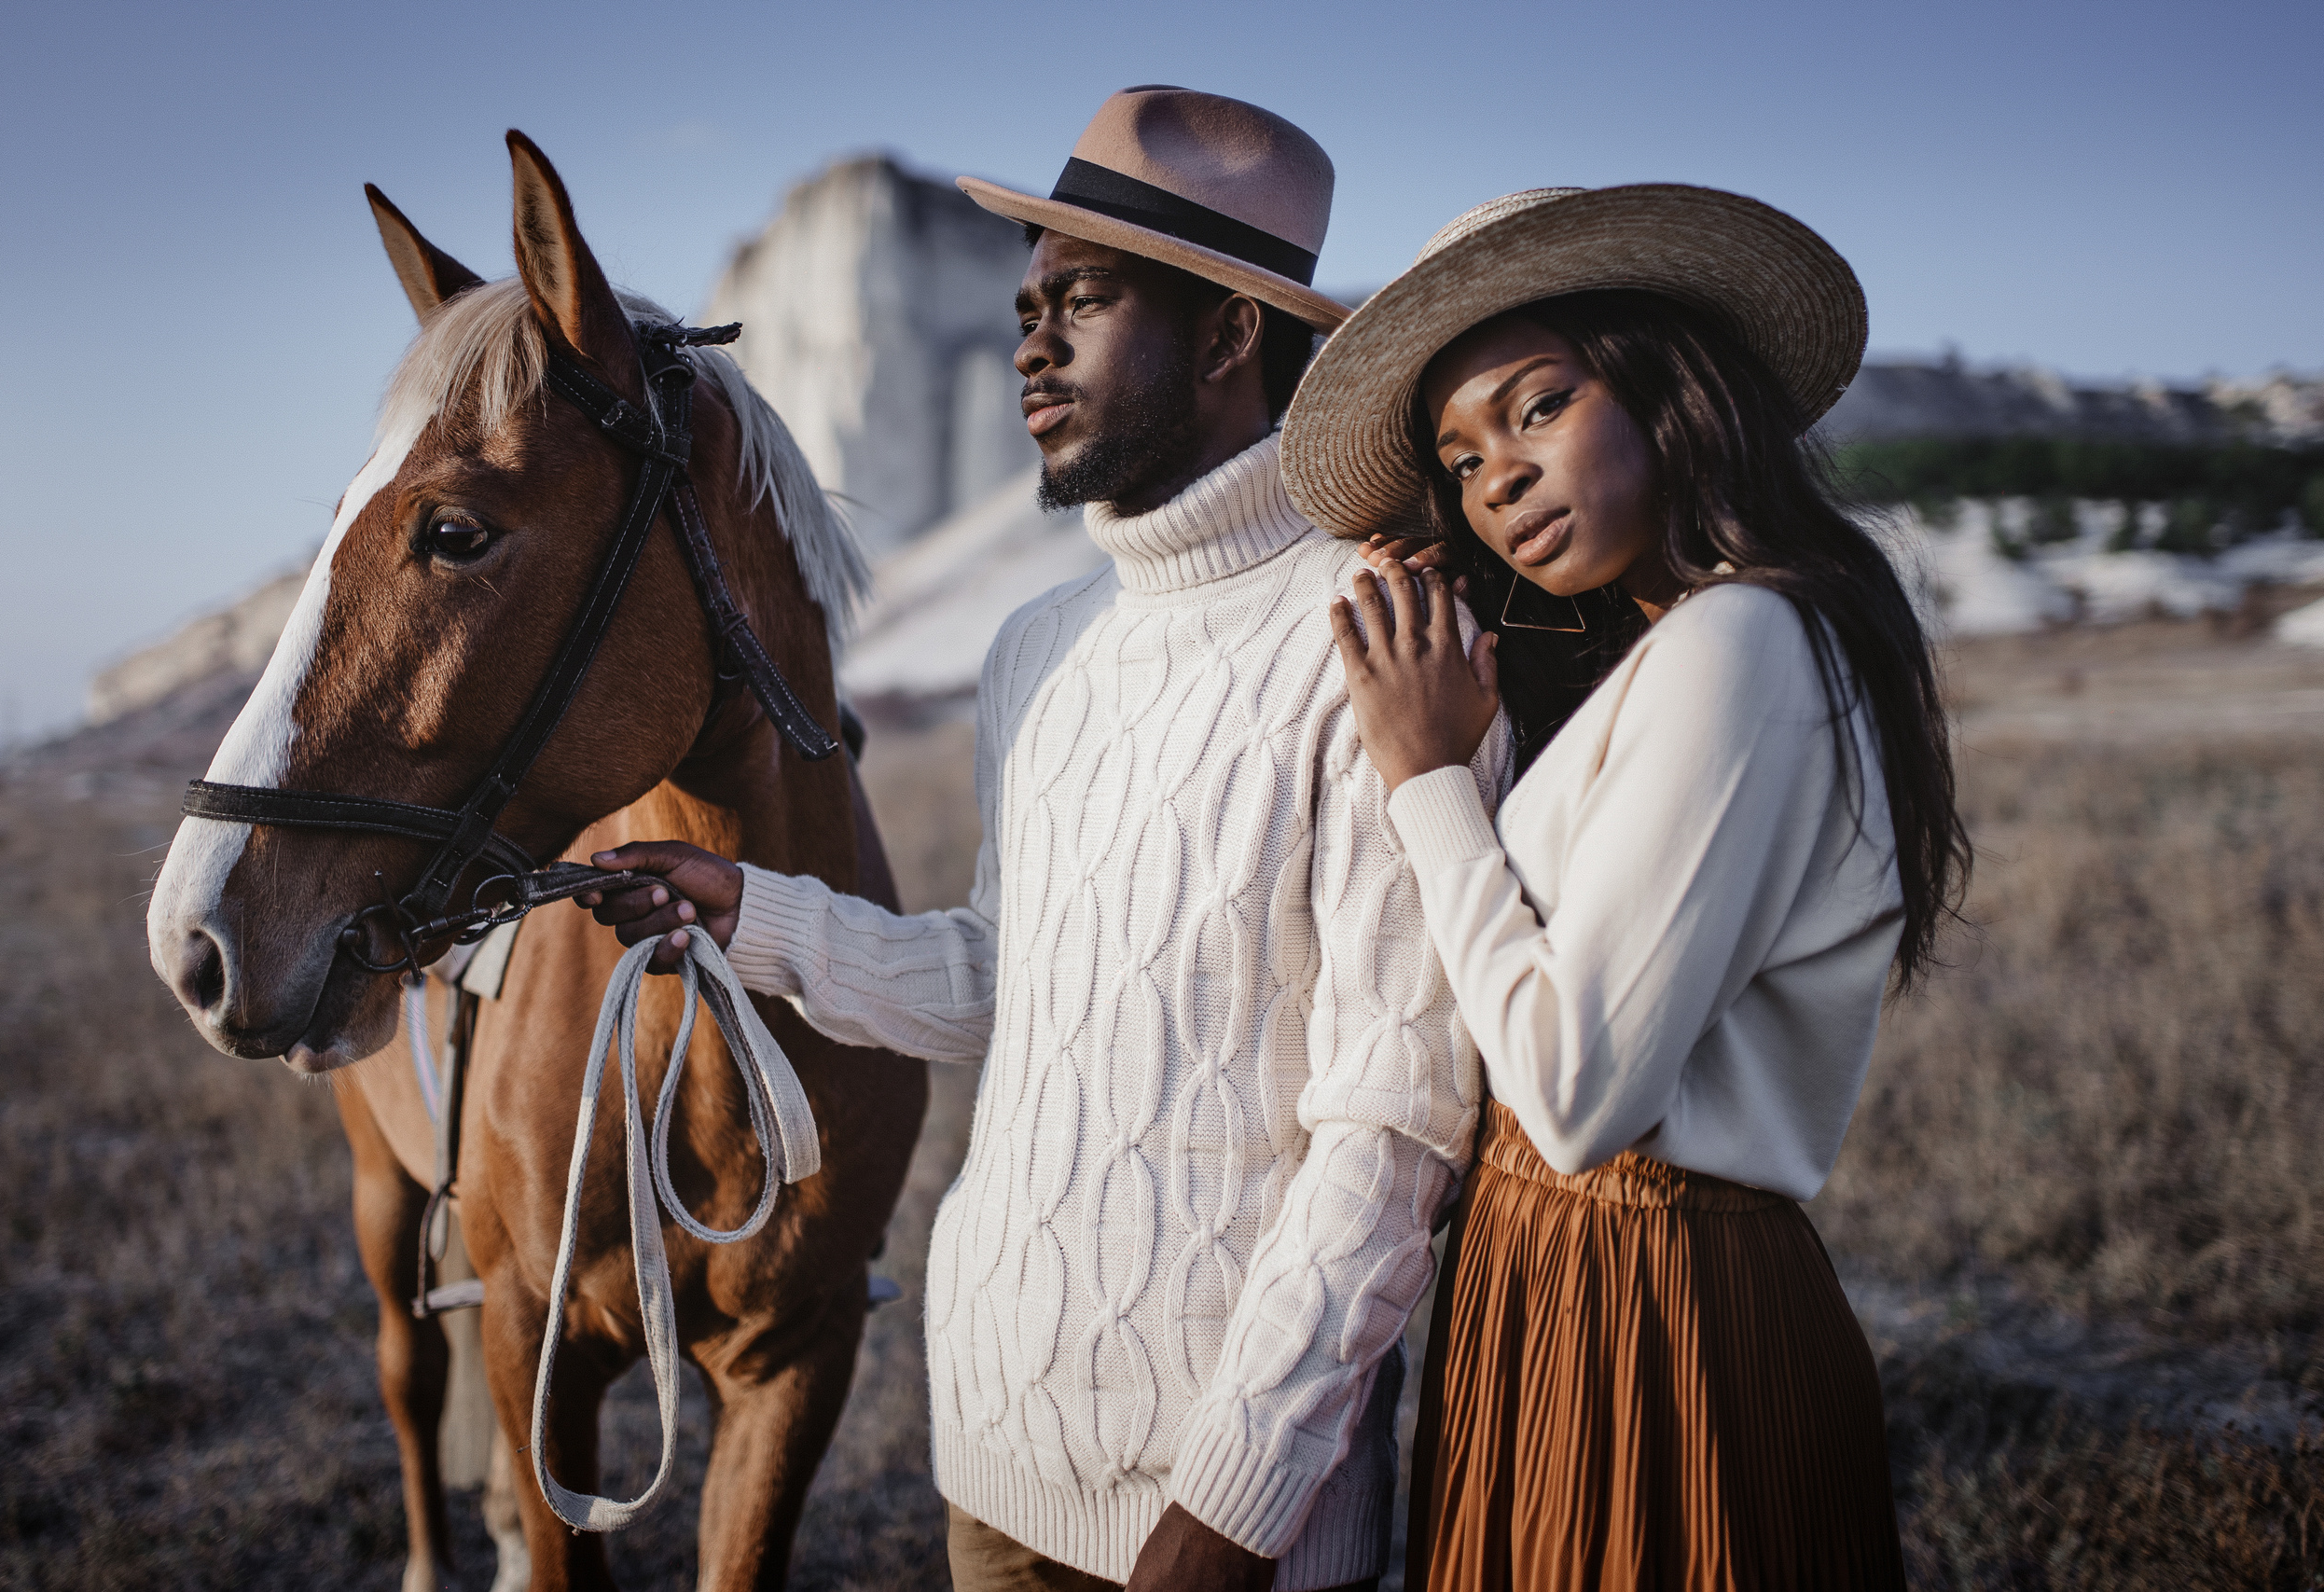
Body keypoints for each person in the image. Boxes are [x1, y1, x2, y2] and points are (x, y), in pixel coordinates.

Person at [575, 89, 1508, 1592]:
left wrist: (1235, 1506)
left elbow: (1393, 1131)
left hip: (1217, 1527)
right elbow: (1009, 979)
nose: (1028, 343)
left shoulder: (1377, 637)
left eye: (1081, 301)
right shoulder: (1041, 646)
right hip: (995, 1459)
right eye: (1026, 305)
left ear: (1225, 338)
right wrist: (757, 914)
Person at [1278, 186, 1970, 1587]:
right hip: (1554, 1275)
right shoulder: (1680, 650)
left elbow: (1582, 1092)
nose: (1499, 481)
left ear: (1667, 385)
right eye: (1463, 461)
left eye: (1537, 408)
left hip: (1652, 1303)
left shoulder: (1745, 644)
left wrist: (1425, 778)